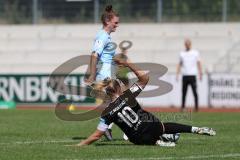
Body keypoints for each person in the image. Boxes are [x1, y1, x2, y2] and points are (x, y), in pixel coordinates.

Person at [72, 56, 215, 147]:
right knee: (162, 127)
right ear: (120, 89)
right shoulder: (128, 96)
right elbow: (145, 78)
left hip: (140, 139)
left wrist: (80, 145)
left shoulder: (107, 112)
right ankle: (193, 129)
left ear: (107, 93)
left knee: (130, 136)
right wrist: (128, 63)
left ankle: (159, 142)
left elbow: (97, 135)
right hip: (152, 126)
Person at [84, 5, 119, 141]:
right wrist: (92, 76)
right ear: (107, 21)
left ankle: (106, 127)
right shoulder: (102, 36)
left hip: (108, 74)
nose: (117, 25)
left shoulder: (107, 37)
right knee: (121, 102)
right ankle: (107, 127)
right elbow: (94, 54)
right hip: (104, 76)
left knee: (117, 102)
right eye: (116, 22)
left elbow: (106, 56)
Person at [176, 39, 203, 112]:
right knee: (184, 92)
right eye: (186, 44)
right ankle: (183, 107)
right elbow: (179, 64)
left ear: (190, 44)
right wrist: (177, 74)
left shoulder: (195, 53)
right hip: (185, 75)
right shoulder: (182, 53)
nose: (187, 45)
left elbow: (199, 63)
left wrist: (200, 73)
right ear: (185, 45)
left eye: (188, 44)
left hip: (192, 75)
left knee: (195, 92)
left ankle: (196, 107)